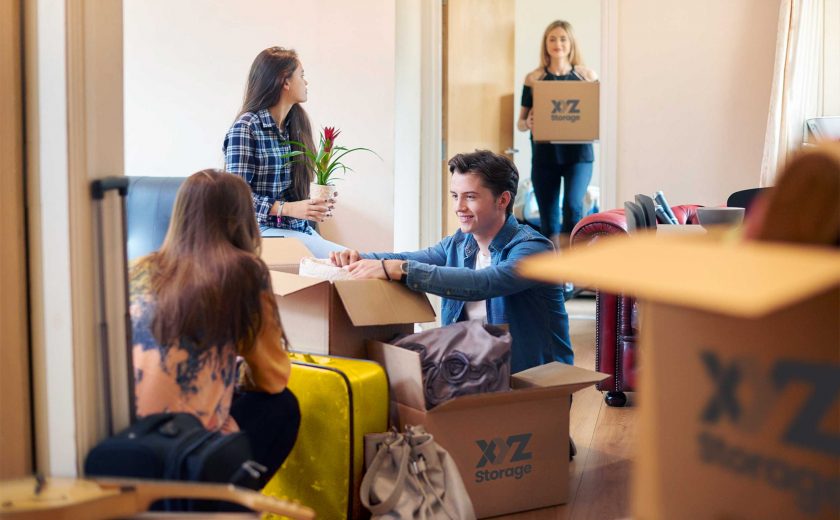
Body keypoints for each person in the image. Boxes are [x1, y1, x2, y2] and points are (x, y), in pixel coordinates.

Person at [130, 169, 300, 492]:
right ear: (243, 221)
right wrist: (233, 373)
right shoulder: (243, 272)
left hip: (125, 443)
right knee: (283, 407)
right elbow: (273, 377)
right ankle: (223, 504)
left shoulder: (138, 268)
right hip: (182, 456)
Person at [331, 150, 573, 373]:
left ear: (503, 200)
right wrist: (358, 258)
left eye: (470, 197)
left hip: (534, 379)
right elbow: (407, 258)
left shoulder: (535, 249)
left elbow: (484, 283)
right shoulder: (458, 244)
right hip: (476, 373)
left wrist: (399, 269)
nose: (459, 207)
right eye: (455, 196)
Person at [224, 46, 344, 258]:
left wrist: (313, 204)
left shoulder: (295, 126)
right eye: (302, 75)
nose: (306, 82)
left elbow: (290, 194)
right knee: (352, 261)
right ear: (285, 81)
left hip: (294, 231)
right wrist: (287, 209)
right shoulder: (246, 128)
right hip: (258, 233)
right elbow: (235, 200)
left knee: (354, 262)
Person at [517, 20, 598, 248]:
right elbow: (520, 123)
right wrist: (528, 121)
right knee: (548, 217)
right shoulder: (533, 79)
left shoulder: (587, 76)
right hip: (545, 156)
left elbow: (598, 115)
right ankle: (553, 278)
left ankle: (574, 267)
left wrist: (594, 83)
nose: (557, 44)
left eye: (563, 38)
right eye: (552, 39)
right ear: (545, 44)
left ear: (571, 43)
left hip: (579, 156)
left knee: (573, 207)